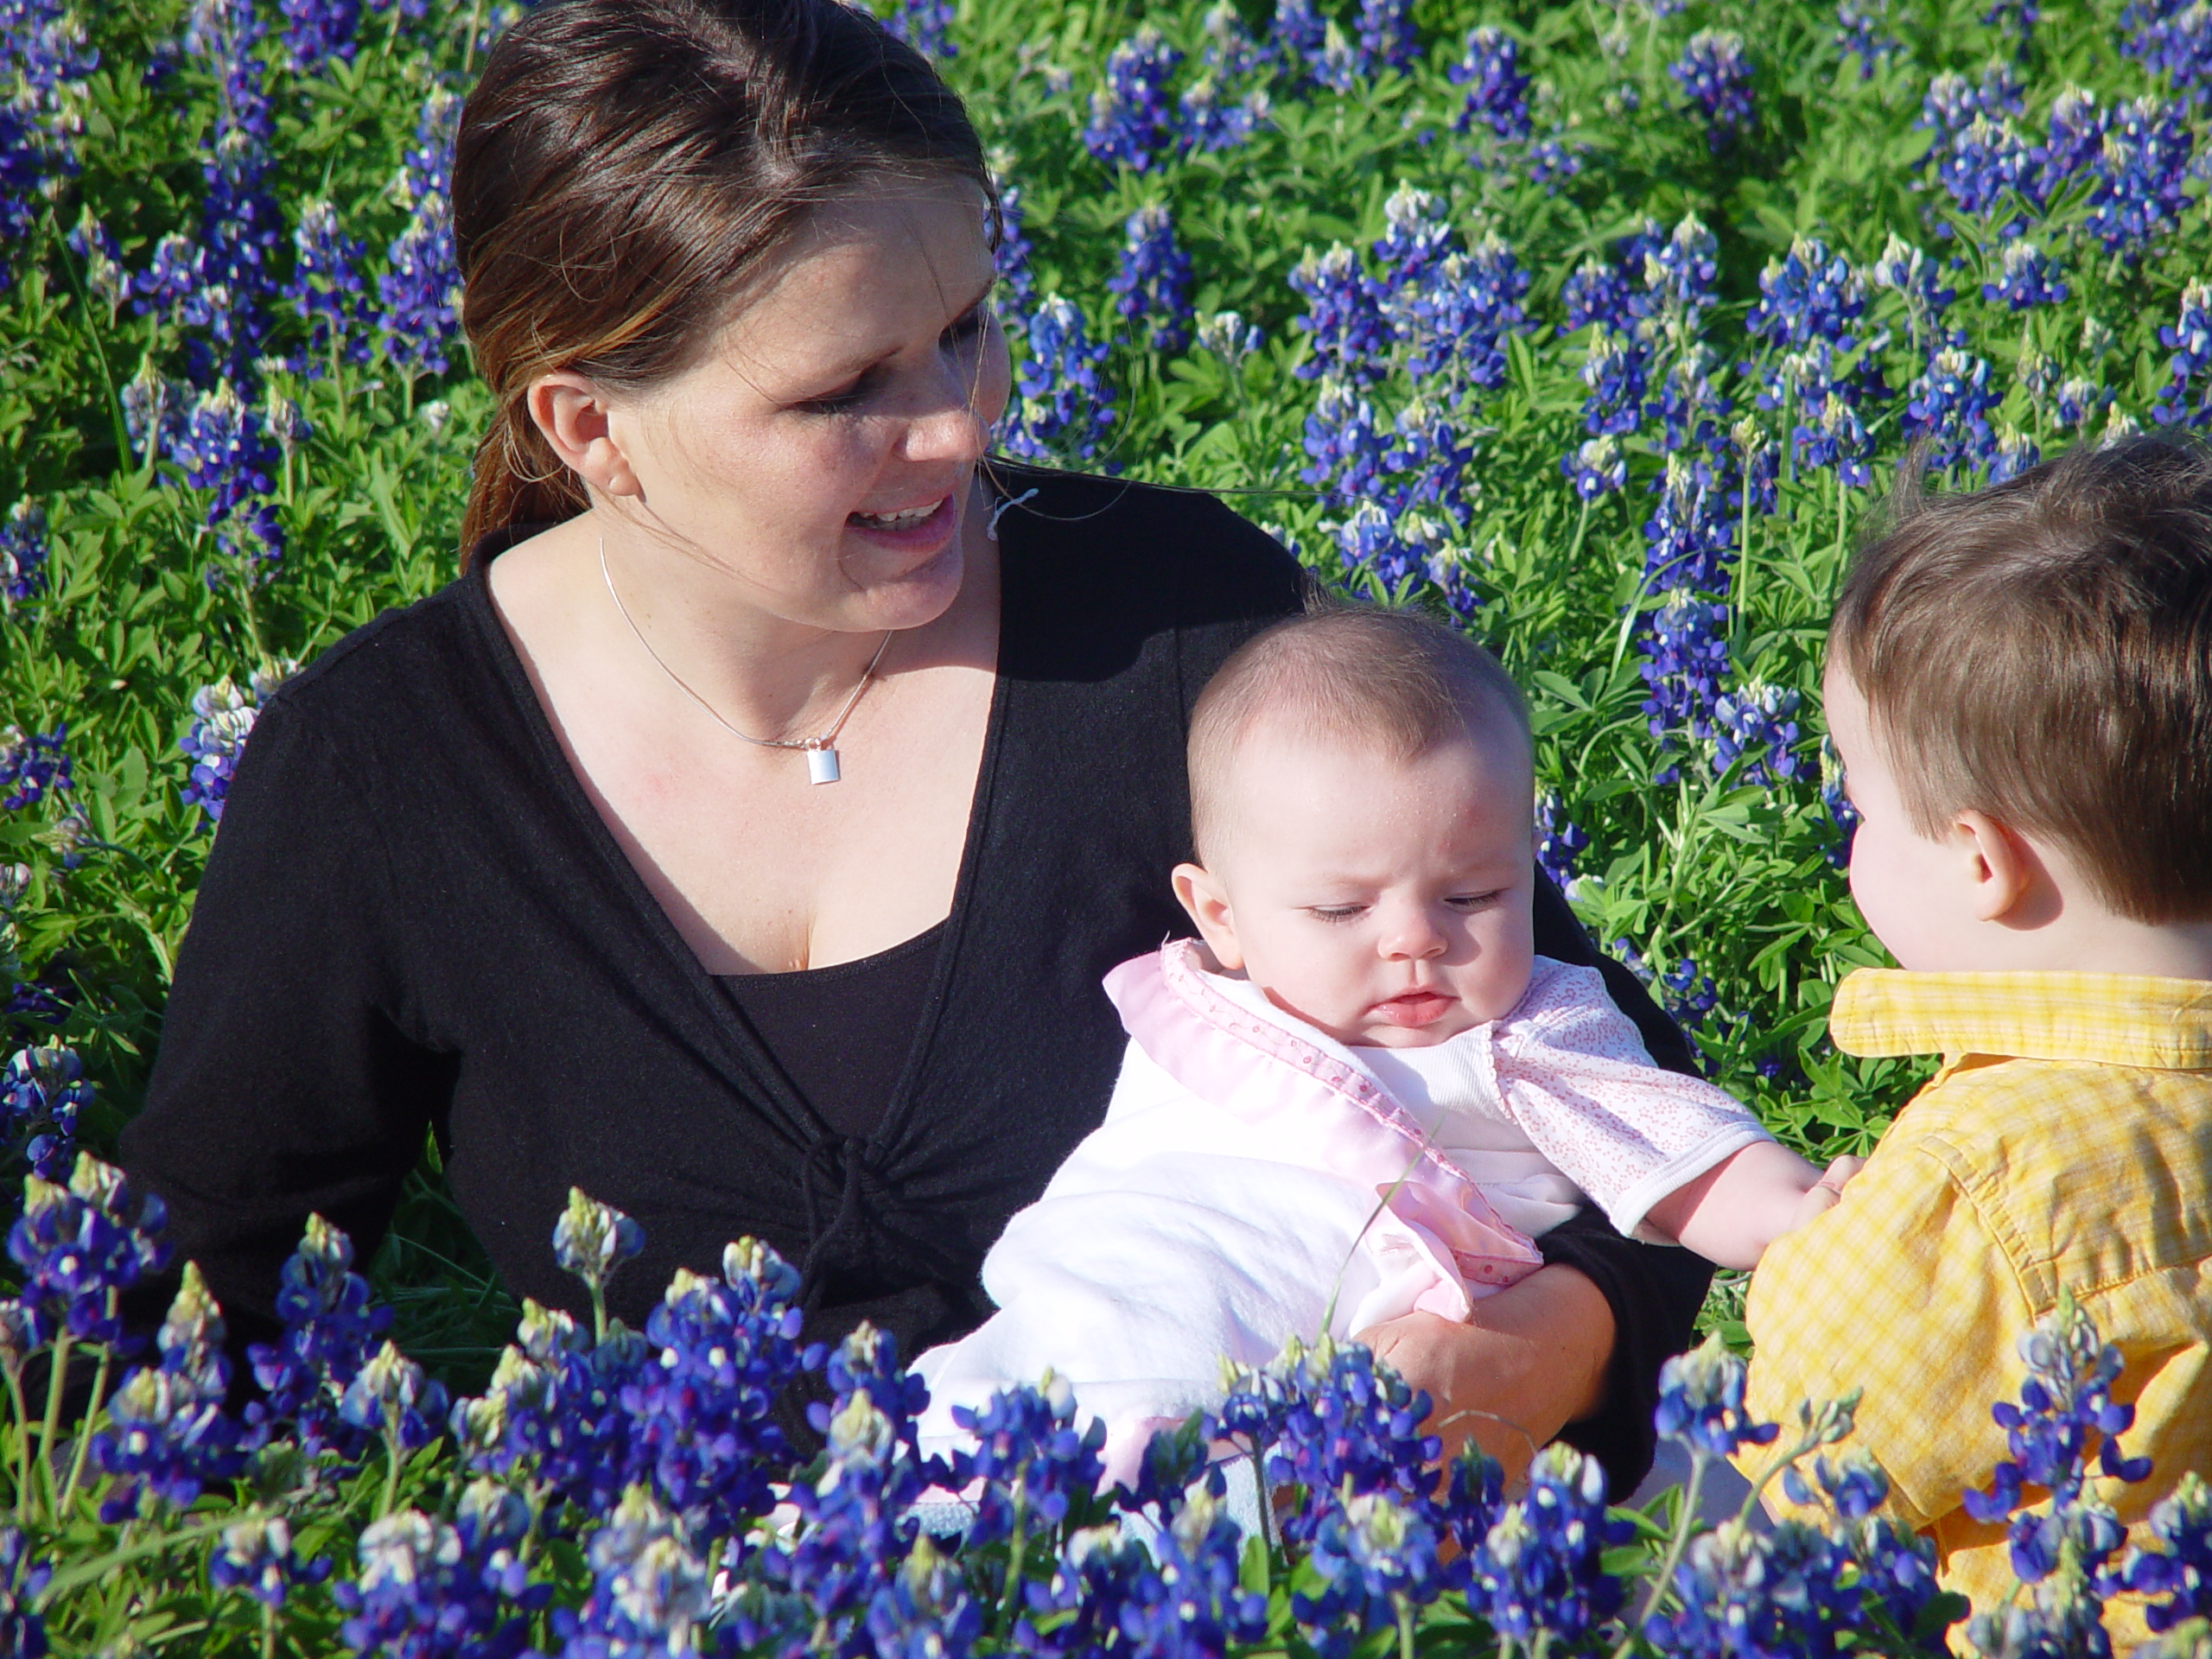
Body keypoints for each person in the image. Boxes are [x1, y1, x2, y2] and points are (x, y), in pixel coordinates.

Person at [118, 0, 1708, 1493]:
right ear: (589, 429)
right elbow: (181, 1328)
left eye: (962, 329)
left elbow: (1621, 1086)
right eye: (844, 391)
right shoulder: (389, 770)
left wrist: (1533, 1361)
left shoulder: (1184, 631)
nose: (957, 425)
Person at [913, 607, 1849, 1482]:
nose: (1415, 939)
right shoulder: (1202, 995)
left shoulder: (1528, 1033)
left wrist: (1801, 1212)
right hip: (1086, 1295)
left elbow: (1682, 1155)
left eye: (1472, 896)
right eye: (1339, 908)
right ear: (1218, 917)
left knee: (1161, 1436)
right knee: (995, 1398)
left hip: (1292, 1378)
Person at [1735, 436, 2212, 1644]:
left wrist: (1800, 1266)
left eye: (1856, 802)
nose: (1845, 835)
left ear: (1980, 861)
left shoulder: (1976, 1179)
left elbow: (1806, 1469)